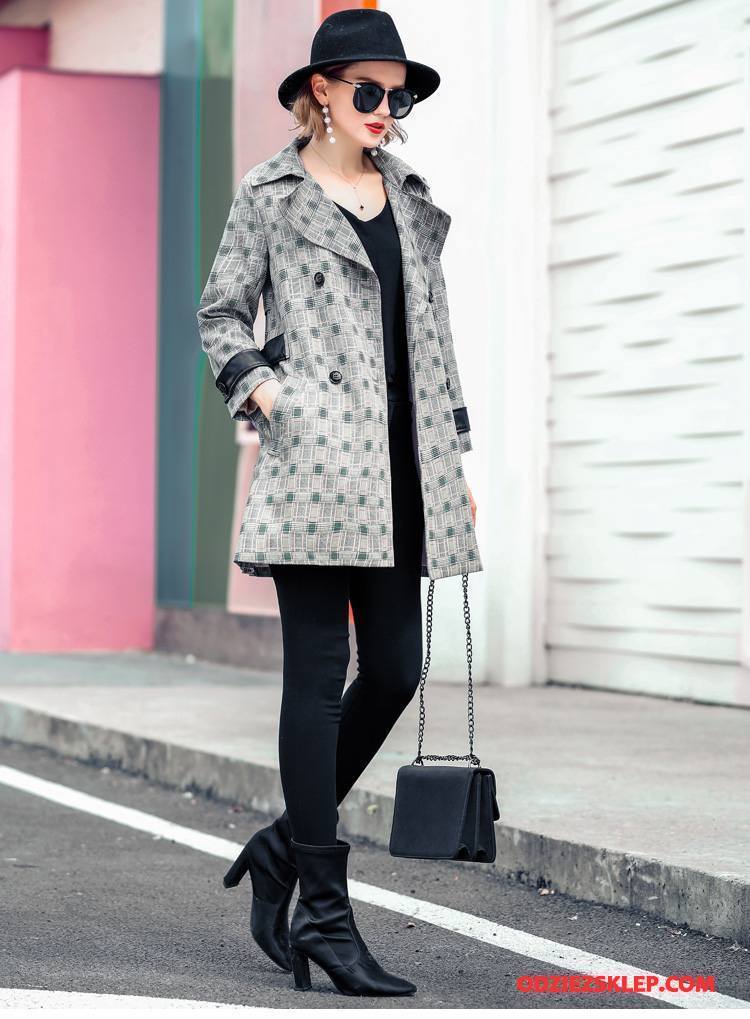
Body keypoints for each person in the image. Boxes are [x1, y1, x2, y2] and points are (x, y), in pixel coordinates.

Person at [198, 8, 480, 998]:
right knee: (318, 679)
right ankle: (322, 905)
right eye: (369, 90)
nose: (385, 109)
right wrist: (268, 394)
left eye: (397, 96)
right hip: (315, 466)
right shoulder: (272, 195)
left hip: (404, 470)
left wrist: (453, 455)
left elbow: (434, 339)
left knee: (396, 667)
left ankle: (283, 848)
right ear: (320, 90)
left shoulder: (409, 198)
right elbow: (220, 312)